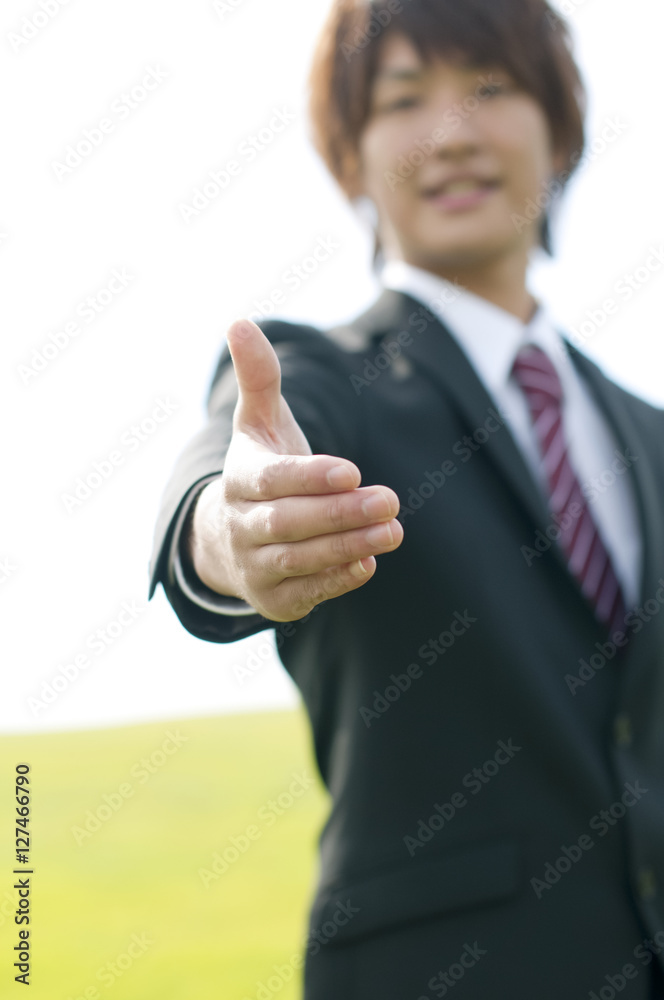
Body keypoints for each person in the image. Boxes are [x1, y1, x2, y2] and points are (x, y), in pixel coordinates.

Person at [148, 0, 664, 996]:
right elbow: (227, 483)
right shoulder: (325, 379)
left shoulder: (648, 434)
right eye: (402, 99)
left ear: (560, 130)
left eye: (491, 88)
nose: (452, 133)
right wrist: (233, 533)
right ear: (350, 158)